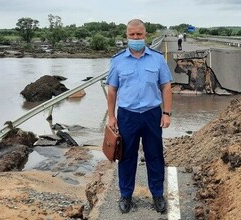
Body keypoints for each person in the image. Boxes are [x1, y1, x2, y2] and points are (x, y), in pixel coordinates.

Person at [105, 19, 173, 214]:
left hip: (152, 114)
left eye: (139, 34)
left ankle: (158, 194)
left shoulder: (158, 59)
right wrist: (111, 116)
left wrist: (166, 113)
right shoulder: (117, 60)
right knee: (126, 157)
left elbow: (166, 86)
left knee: (155, 155)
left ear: (145, 35)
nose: (135, 38)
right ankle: (126, 195)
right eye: (132, 35)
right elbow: (112, 90)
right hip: (127, 115)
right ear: (127, 36)